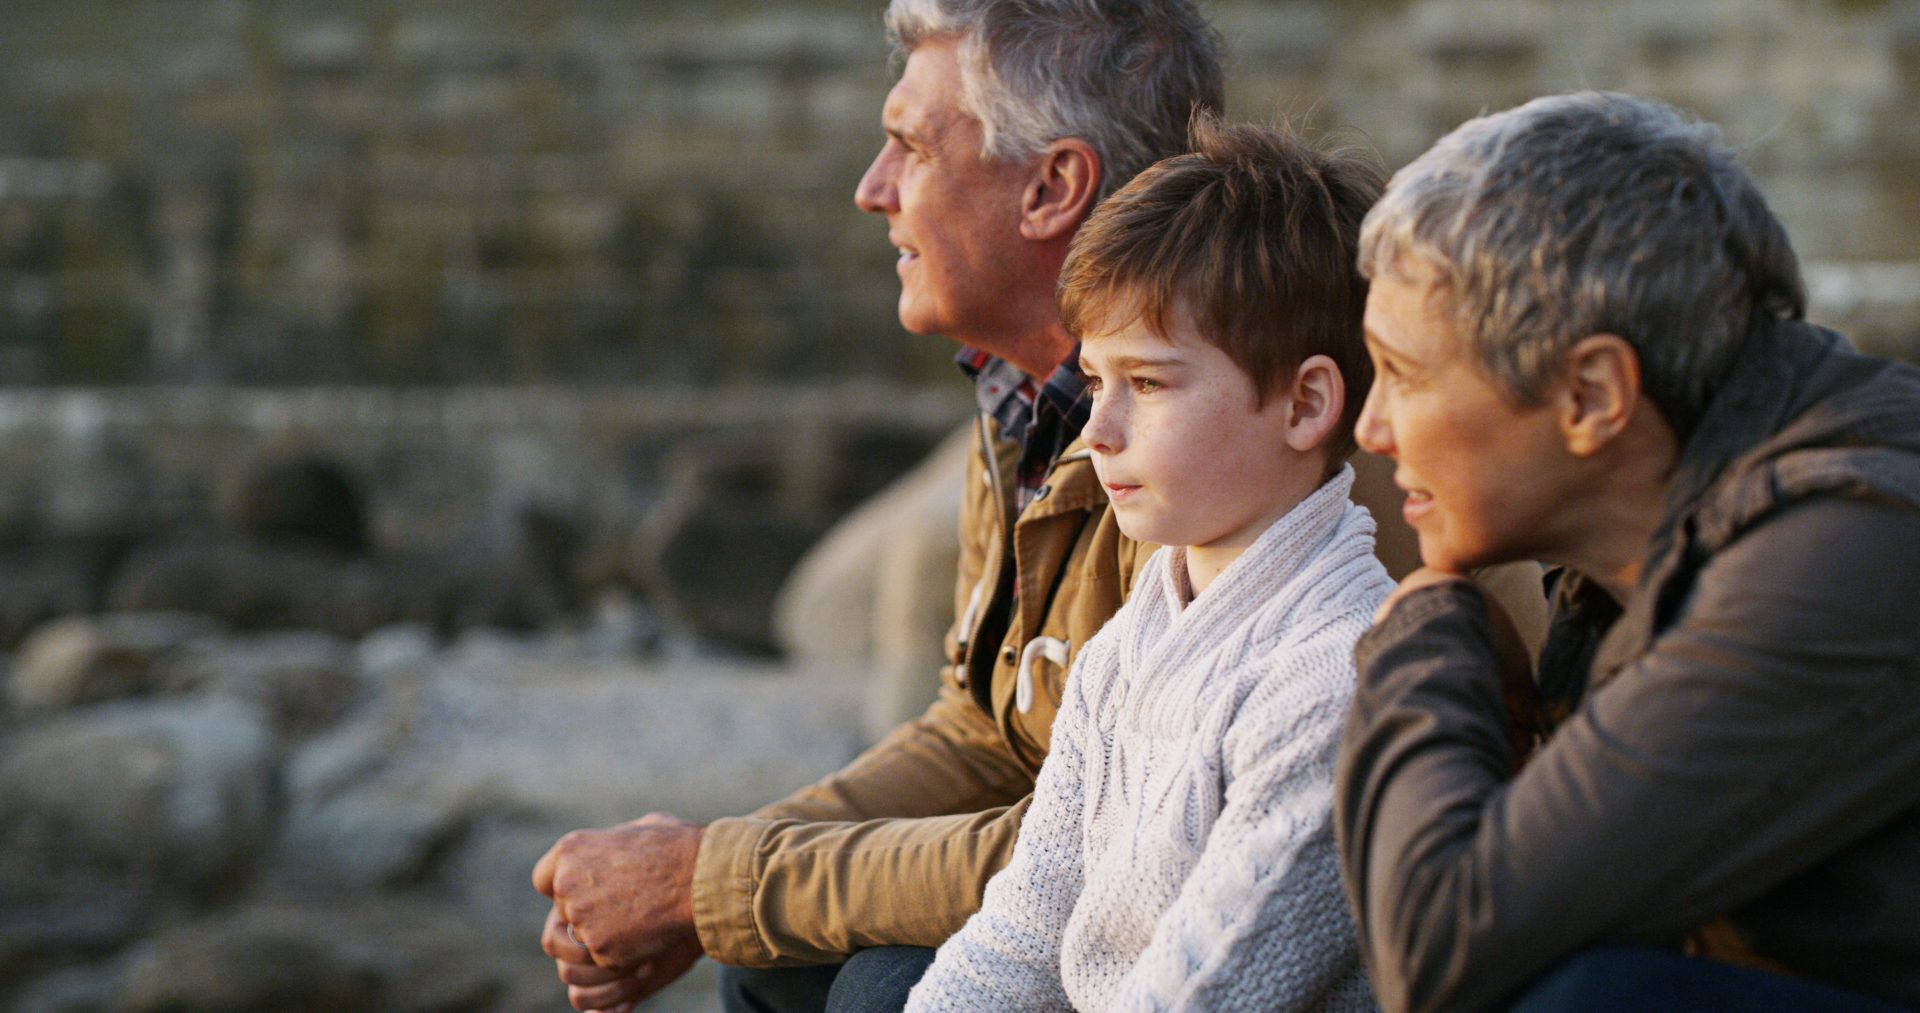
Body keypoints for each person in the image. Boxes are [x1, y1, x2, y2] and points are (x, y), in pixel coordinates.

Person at [533, 3, 1227, 1011]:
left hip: (1198, 932)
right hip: (1100, 888)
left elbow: (1118, 842)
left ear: (1052, 188)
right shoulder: (1025, 395)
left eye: (912, 147)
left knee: (885, 987)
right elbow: (984, 732)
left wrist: (707, 879)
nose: (872, 189)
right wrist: (709, 870)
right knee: (773, 962)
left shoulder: (1201, 435)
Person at [1334, 91, 1920, 1013]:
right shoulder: (1651, 522)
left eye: (1402, 374)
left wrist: (1425, 630)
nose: (1371, 429)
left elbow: (1439, 941)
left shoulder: (1850, 549)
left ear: (1593, 395)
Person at [903, 117, 1388, 1012]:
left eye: (1150, 383)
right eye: (1095, 380)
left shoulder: (1335, 679)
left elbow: (1210, 986)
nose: (1098, 429)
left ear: (1306, 403)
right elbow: (1025, 928)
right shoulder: (1127, 645)